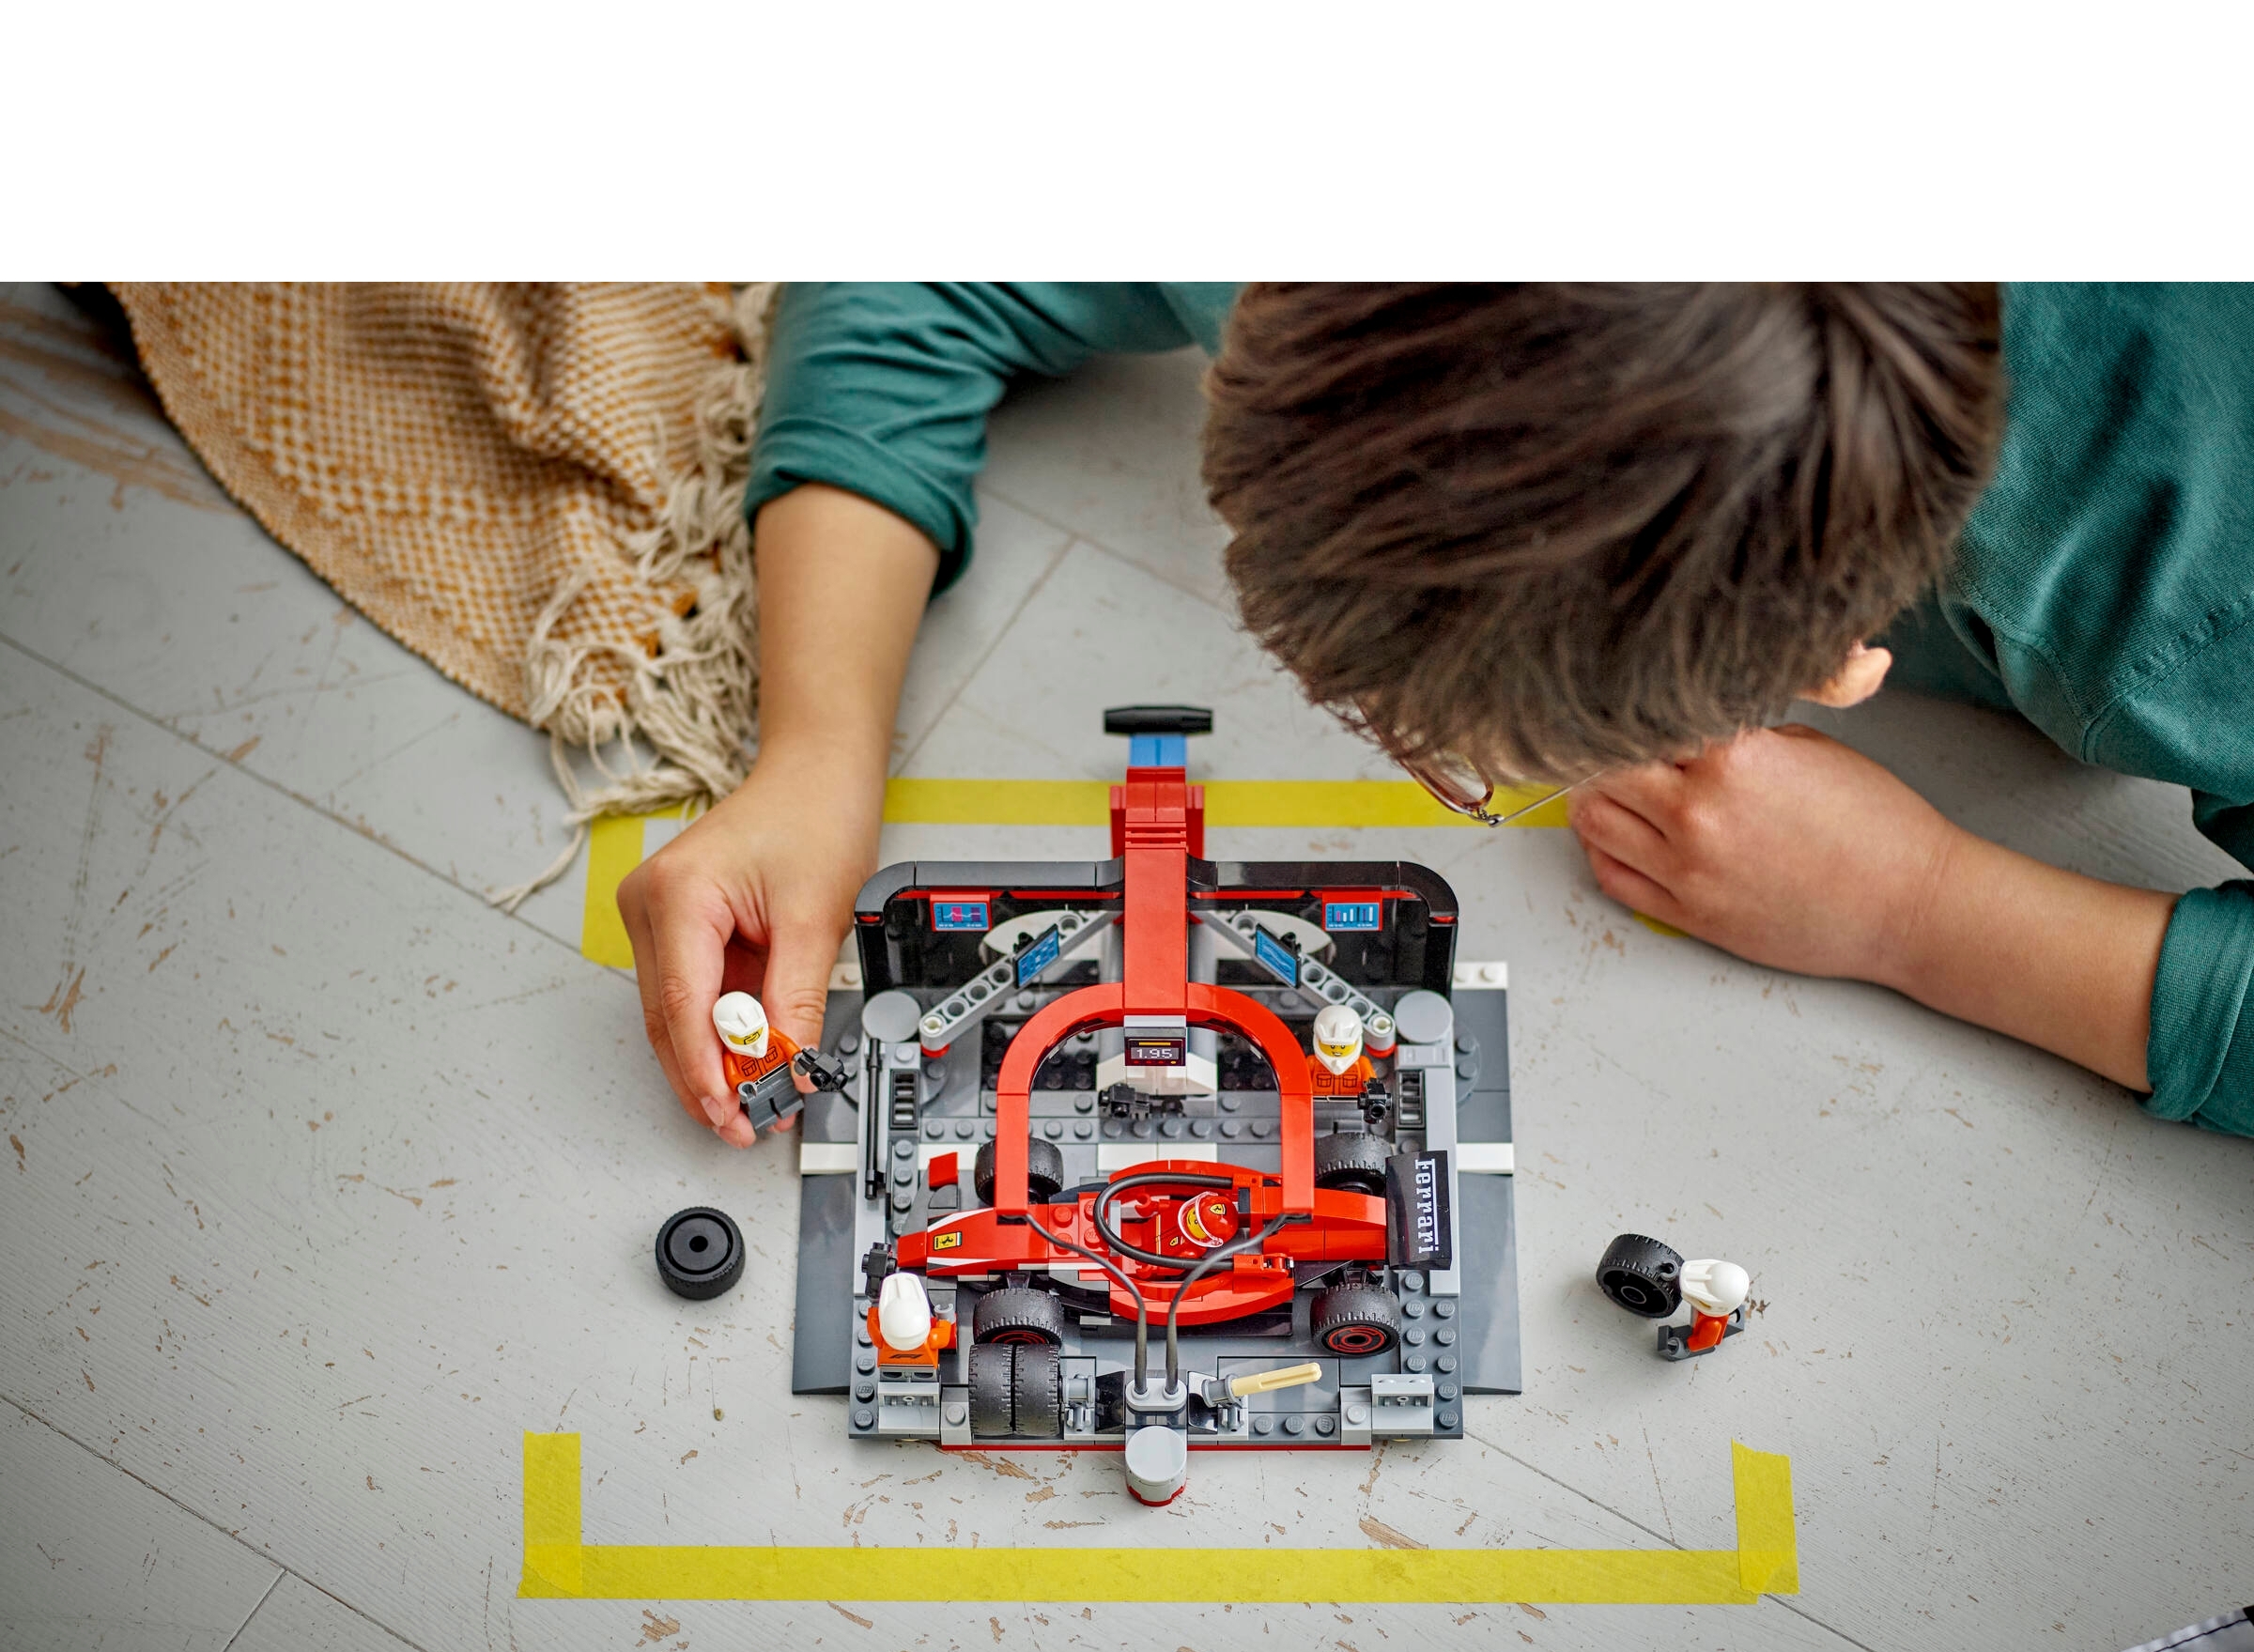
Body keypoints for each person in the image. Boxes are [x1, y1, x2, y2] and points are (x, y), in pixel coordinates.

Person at [618, 284, 2254, 1149]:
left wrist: (1926, 911)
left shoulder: (2193, 583)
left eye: (1463, 765)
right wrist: (816, 753)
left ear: (1833, 661)